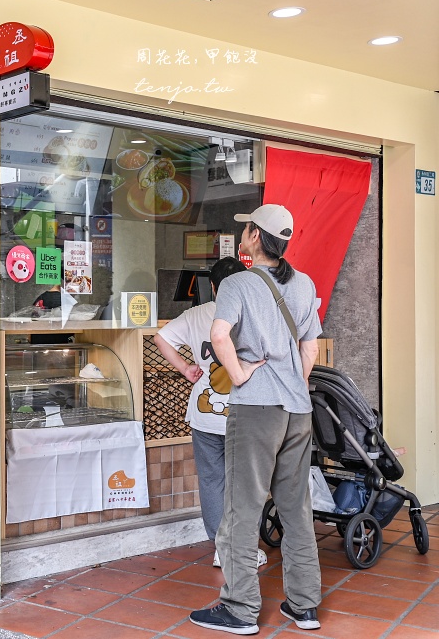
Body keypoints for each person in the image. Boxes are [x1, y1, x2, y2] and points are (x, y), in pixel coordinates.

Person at [189, 204, 322, 635]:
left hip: (256, 410)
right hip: (297, 411)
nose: (242, 233)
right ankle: (304, 606)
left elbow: (219, 334)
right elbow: (311, 349)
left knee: (241, 509)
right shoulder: (303, 284)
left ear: (254, 236)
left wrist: (243, 373)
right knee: (296, 508)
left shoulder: (238, 283)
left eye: (246, 228)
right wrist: (294, 387)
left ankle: (241, 608)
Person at [152, 257, 267, 569]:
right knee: (245, 483)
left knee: (213, 481)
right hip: (246, 414)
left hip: (205, 416)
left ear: (213, 287)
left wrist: (185, 367)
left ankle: (222, 549)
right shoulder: (254, 314)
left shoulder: (197, 314)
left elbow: (159, 338)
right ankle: (242, 549)